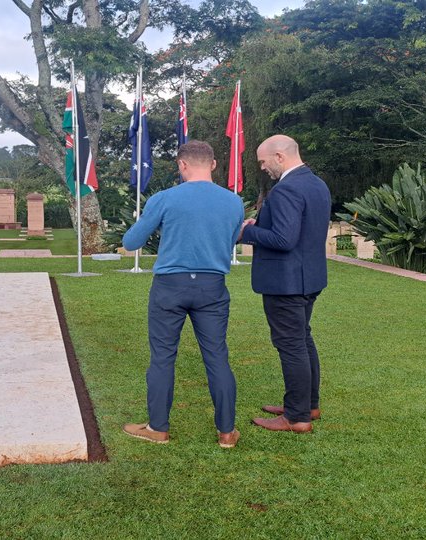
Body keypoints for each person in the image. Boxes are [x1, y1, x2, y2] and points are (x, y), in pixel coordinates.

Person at [121, 140, 245, 449]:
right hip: (212, 286)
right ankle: (227, 432)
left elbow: (132, 242)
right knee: (217, 356)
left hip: (170, 287)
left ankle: (158, 428)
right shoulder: (233, 202)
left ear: (182, 165)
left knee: (163, 358)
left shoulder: (164, 198)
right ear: (213, 164)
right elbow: (230, 242)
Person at [238, 134, 330, 434]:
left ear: (280, 156)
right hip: (309, 277)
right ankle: (308, 405)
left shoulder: (286, 190)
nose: (262, 167)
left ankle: (296, 417)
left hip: (286, 283)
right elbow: (298, 231)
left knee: (291, 346)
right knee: (303, 341)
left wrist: (247, 234)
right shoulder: (316, 183)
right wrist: (260, 225)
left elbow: (284, 239)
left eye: (263, 161)